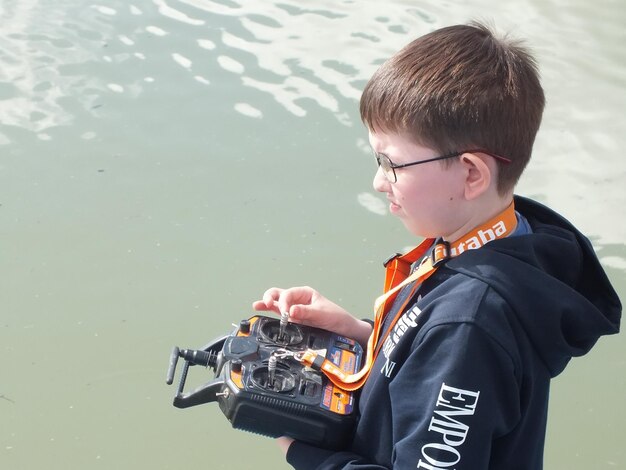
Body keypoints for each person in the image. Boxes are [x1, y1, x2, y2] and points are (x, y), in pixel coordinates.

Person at [252, 22, 621, 469]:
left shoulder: (470, 324)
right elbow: (438, 369)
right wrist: (364, 334)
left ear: (471, 174)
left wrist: (310, 455)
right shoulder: (503, 242)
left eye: (392, 164)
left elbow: (456, 354)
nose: (377, 181)